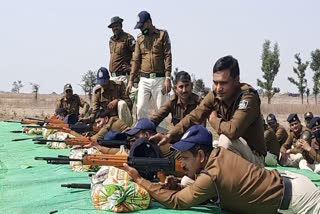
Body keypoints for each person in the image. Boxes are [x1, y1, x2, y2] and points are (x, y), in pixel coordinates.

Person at [124, 125, 320, 214]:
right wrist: (176, 186)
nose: (181, 164)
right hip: (291, 183)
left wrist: (140, 180)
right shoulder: (217, 155)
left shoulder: (211, 174)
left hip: (298, 199)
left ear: (201, 156)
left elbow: (177, 203)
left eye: (185, 158)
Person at [151, 55, 266, 167]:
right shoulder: (214, 95)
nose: (218, 88)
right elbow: (193, 117)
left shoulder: (247, 97)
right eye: (215, 83)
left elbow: (232, 131)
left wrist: (214, 120)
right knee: (187, 179)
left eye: (223, 83)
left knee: (225, 140)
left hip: (254, 159)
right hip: (231, 155)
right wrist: (170, 136)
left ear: (236, 80)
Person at [126, 11, 172, 130]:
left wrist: (168, 78)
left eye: (142, 26)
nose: (141, 29)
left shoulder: (162, 35)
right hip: (144, 79)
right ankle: (142, 133)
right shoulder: (140, 39)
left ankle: (161, 136)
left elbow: (168, 56)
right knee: (140, 107)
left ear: (149, 22)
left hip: (160, 78)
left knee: (160, 109)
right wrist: (131, 80)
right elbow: (136, 61)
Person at [108, 16, 135, 86]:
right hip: (112, 77)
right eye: (113, 27)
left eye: (116, 26)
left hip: (123, 77)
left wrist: (131, 67)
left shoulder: (128, 38)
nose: (114, 28)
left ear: (121, 26)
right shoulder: (111, 40)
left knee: (124, 97)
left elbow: (138, 53)